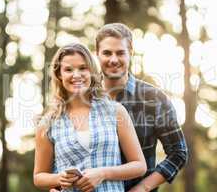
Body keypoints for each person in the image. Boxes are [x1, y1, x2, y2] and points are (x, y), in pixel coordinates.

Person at [33, 43, 147, 192]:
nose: (76, 75)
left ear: (92, 72)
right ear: (59, 75)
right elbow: (39, 176)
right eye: (68, 69)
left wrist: (103, 173)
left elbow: (139, 165)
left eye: (82, 68)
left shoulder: (115, 111)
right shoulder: (47, 124)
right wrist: (59, 178)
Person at [95, 23, 188, 192]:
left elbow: (178, 152)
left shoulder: (154, 98)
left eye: (120, 53)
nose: (113, 59)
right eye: (107, 53)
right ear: (97, 55)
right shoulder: (84, 99)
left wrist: (143, 187)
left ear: (130, 53)